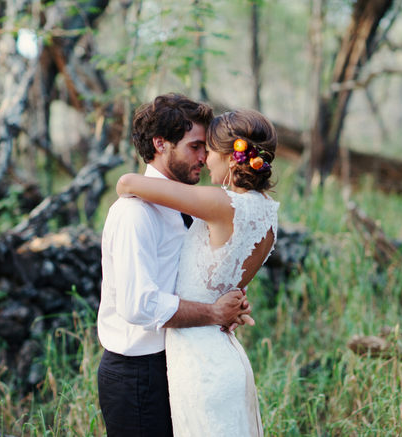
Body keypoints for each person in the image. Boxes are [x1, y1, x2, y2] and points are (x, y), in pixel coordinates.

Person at [97, 94, 254, 437]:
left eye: (206, 148)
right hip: (138, 374)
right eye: (196, 146)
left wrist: (226, 299)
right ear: (160, 144)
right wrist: (212, 313)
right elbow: (138, 305)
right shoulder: (134, 213)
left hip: (182, 365)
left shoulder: (188, 204)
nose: (204, 156)